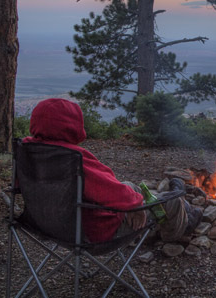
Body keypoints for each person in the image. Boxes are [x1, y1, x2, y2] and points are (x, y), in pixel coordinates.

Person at [23, 98, 194, 243]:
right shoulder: (73, 158)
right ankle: (177, 230)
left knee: (127, 185)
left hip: (46, 225)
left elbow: (20, 185)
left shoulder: (27, 151)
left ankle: (178, 212)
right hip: (93, 232)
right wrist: (136, 205)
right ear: (72, 125)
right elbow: (109, 191)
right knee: (173, 200)